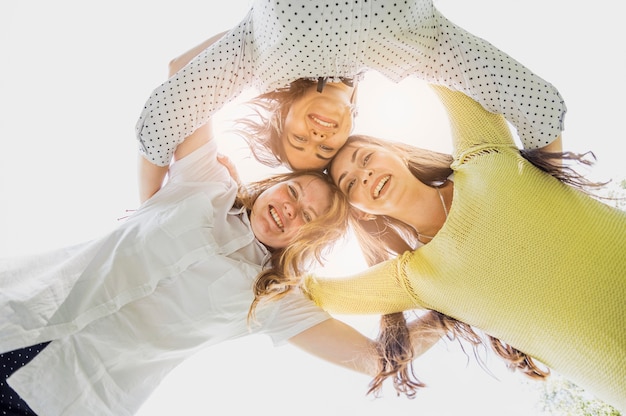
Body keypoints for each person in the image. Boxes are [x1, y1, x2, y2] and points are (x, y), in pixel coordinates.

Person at [0, 100, 445, 415]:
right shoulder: (207, 186)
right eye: (291, 191)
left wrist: (450, 309)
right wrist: (314, 89)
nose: (290, 209)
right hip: (15, 310)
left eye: (307, 217)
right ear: (272, 184)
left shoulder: (273, 300)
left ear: (307, 242)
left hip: (61, 400)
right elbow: (185, 75)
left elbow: (375, 359)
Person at [303, 85, 626, 412]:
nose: (365, 174)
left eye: (366, 158)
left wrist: (337, 85)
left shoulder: (485, 155)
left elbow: (442, 59)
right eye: (350, 184)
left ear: (396, 151)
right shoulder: (417, 279)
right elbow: (309, 294)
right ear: (362, 211)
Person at [135, 0, 566, 201]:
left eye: (298, 139)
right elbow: (539, 107)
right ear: (350, 128)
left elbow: (161, 120)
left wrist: (149, 207)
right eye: (324, 148)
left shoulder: (259, 58)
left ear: (281, 115)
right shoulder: (417, 52)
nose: (317, 137)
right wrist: (552, 198)